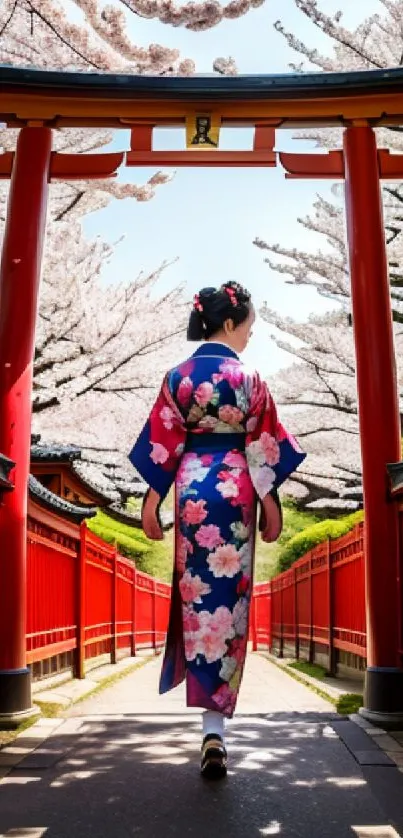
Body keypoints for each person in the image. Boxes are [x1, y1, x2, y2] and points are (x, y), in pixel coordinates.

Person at [128, 282, 305, 780]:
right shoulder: (248, 376)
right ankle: (216, 728)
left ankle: (209, 727)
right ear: (229, 324)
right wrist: (270, 504)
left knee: (196, 599)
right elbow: (262, 447)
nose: (250, 334)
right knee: (229, 605)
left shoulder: (178, 376)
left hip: (190, 492)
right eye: (248, 325)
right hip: (236, 492)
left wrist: (152, 499)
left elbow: (163, 442)